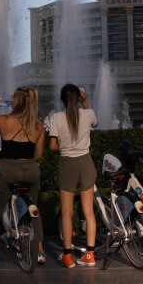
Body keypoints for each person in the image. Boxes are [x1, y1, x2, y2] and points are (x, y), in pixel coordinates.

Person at [0, 87, 46, 270]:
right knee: (34, 210)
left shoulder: (3, 120)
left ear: (16, 102)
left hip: (8, 171)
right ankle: (40, 252)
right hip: (31, 171)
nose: (11, 100)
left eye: (12, 98)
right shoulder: (38, 126)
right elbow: (38, 154)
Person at [49, 84, 98, 268]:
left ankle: (68, 256)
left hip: (67, 163)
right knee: (88, 212)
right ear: (78, 97)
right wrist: (85, 102)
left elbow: (53, 146)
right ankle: (90, 255)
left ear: (62, 99)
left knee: (67, 213)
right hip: (86, 162)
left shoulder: (56, 118)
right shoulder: (88, 113)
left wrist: (59, 144)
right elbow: (95, 122)